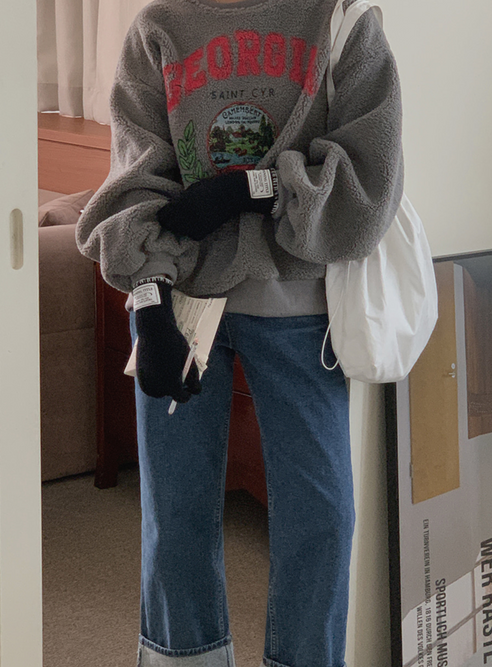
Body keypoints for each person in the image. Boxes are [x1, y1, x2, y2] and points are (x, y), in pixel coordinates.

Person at [75, 0, 404, 664]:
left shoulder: (341, 19)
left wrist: (244, 190)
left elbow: (370, 179)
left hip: (300, 307)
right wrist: (148, 306)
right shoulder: (158, 28)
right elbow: (134, 180)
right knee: (175, 516)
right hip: (179, 303)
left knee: (323, 518)